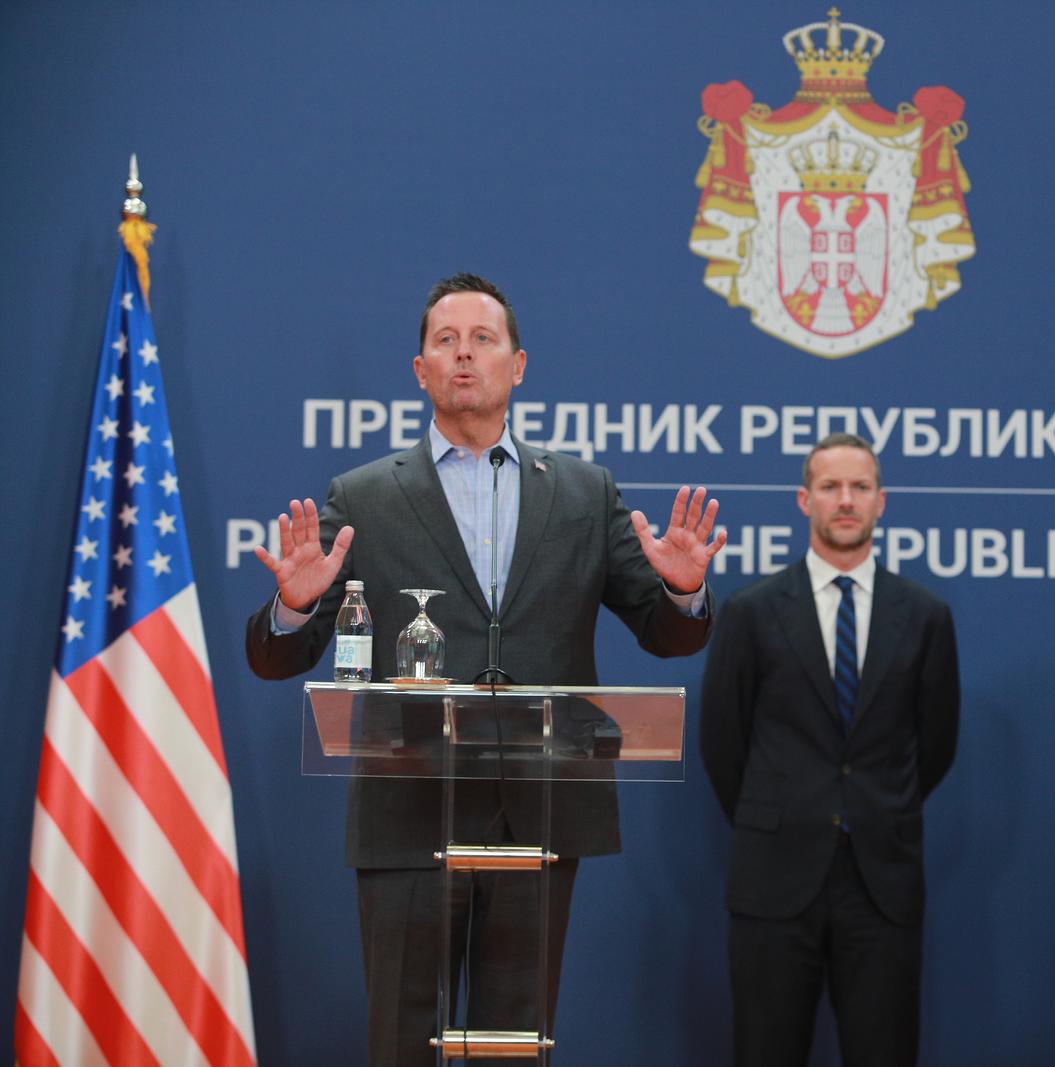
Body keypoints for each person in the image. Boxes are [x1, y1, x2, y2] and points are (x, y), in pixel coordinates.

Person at [244, 272, 726, 1066]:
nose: (464, 355)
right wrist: (294, 607)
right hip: (407, 814)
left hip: (534, 813)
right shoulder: (361, 495)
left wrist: (683, 586)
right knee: (402, 1046)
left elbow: (668, 635)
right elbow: (277, 658)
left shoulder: (582, 491)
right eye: (446, 341)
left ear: (519, 364)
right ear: (420, 370)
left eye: (483, 340)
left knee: (512, 1047)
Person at [699, 432, 959, 1067]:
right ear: (803, 500)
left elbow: (937, 745)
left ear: (881, 501)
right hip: (773, 883)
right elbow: (722, 743)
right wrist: (787, 815)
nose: (846, 500)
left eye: (860, 487)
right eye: (831, 487)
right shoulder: (750, 613)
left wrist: (874, 808)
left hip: (882, 885)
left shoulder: (925, 615)